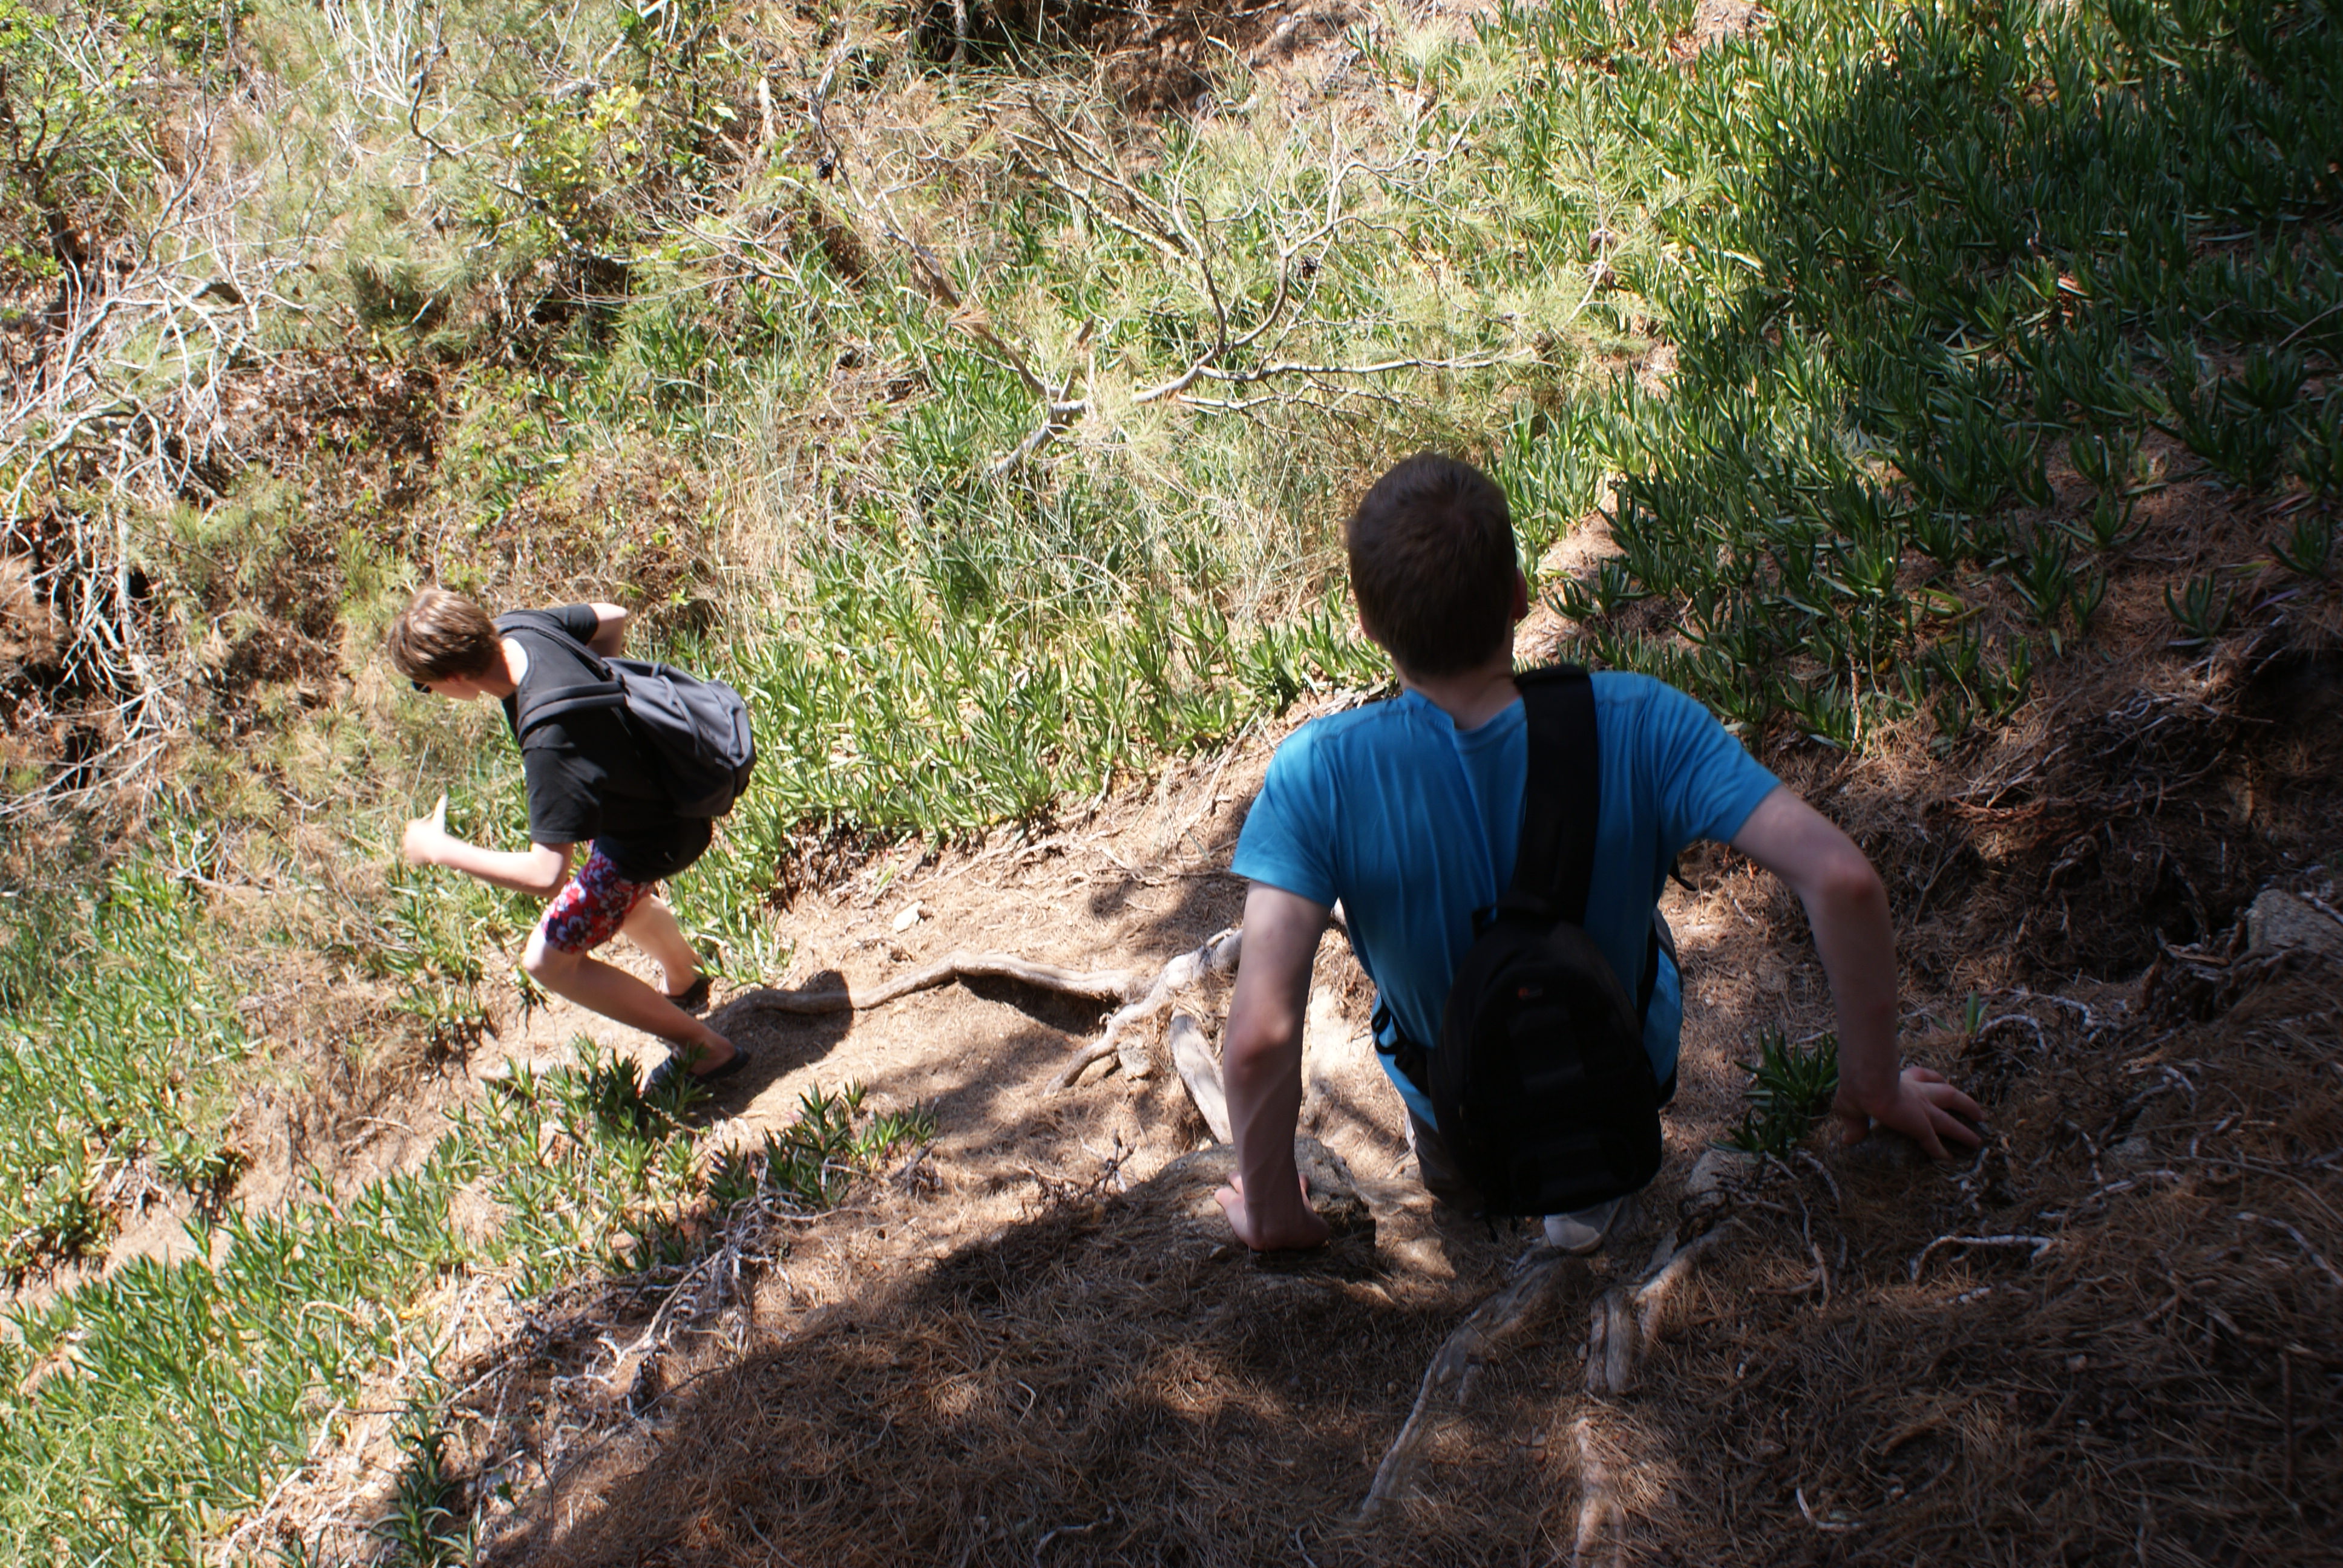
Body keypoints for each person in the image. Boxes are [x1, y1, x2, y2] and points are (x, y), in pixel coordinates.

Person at [1213, 454, 1982, 1253]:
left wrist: (1273, 1214)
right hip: (1614, 1071)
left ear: (1367, 624)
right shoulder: (1643, 721)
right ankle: (1588, 1213)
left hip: (1451, 1093)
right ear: (1518, 594)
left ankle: (1470, 1204)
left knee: (1452, 1156)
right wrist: (1873, 1083)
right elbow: (1844, 880)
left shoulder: (1318, 775)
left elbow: (1261, 1036)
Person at [385, 587, 745, 1094]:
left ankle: (706, 1052)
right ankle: (684, 976)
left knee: (546, 960)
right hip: (664, 791)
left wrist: (440, 849)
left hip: (656, 834)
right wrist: (607, 712)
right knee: (610, 893)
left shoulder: (548, 733)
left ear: (455, 677)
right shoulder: (520, 626)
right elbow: (612, 616)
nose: (432, 693)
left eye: (426, 686)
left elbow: (546, 875)